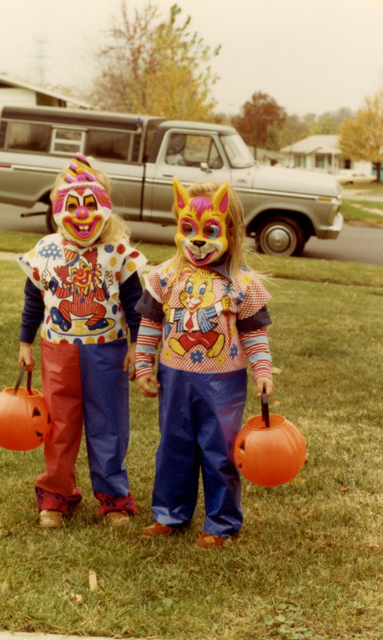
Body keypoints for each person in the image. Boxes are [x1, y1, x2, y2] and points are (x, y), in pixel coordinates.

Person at [135, 177, 274, 549]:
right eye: (188, 229)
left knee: (221, 451)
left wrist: (261, 370)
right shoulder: (165, 276)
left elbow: (254, 334)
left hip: (223, 383)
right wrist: (144, 366)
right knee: (173, 447)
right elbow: (150, 324)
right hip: (175, 379)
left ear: (229, 229)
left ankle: (221, 522)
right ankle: (170, 514)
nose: (198, 239)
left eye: (209, 230)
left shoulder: (241, 284)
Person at [18, 153, 147, 528]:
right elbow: (32, 300)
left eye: (90, 204)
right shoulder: (45, 251)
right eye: (72, 205)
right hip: (58, 351)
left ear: (104, 206)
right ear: (59, 208)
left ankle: (113, 499)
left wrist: (138, 345)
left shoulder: (117, 254)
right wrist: (26, 342)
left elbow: (135, 304)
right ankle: (56, 496)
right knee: (59, 424)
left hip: (107, 351)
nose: (82, 213)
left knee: (108, 424)